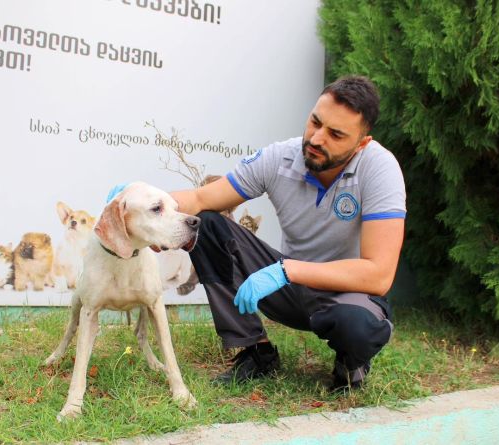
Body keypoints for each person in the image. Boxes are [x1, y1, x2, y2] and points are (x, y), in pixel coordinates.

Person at [168, 75, 406, 391]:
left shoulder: (379, 168)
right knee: (207, 223)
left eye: (336, 134)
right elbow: (200, 199)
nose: (317, 138)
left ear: (362, 143)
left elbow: (379, 275)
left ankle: (350, 362)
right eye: (315, 122)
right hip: (288, 292)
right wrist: (146, 202)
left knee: (357, 326)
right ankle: (256, 351)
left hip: (346, 294)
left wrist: (287, 270)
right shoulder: (281, 157)